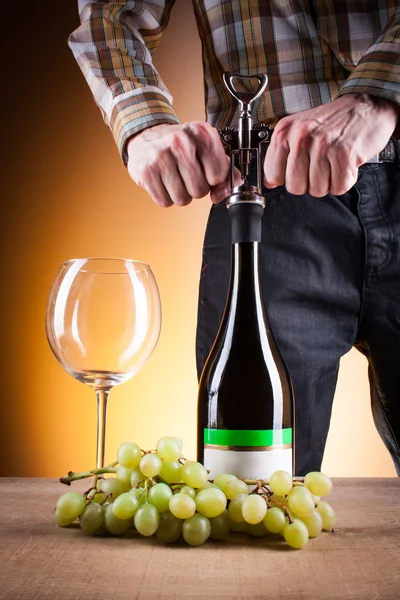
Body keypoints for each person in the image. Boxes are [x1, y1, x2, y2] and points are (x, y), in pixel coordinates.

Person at [69, 1, 400, 476]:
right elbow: (108, 13)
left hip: (280, 188)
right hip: (263, 208)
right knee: (247, 496)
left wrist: (379, 93)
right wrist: (142, 121)